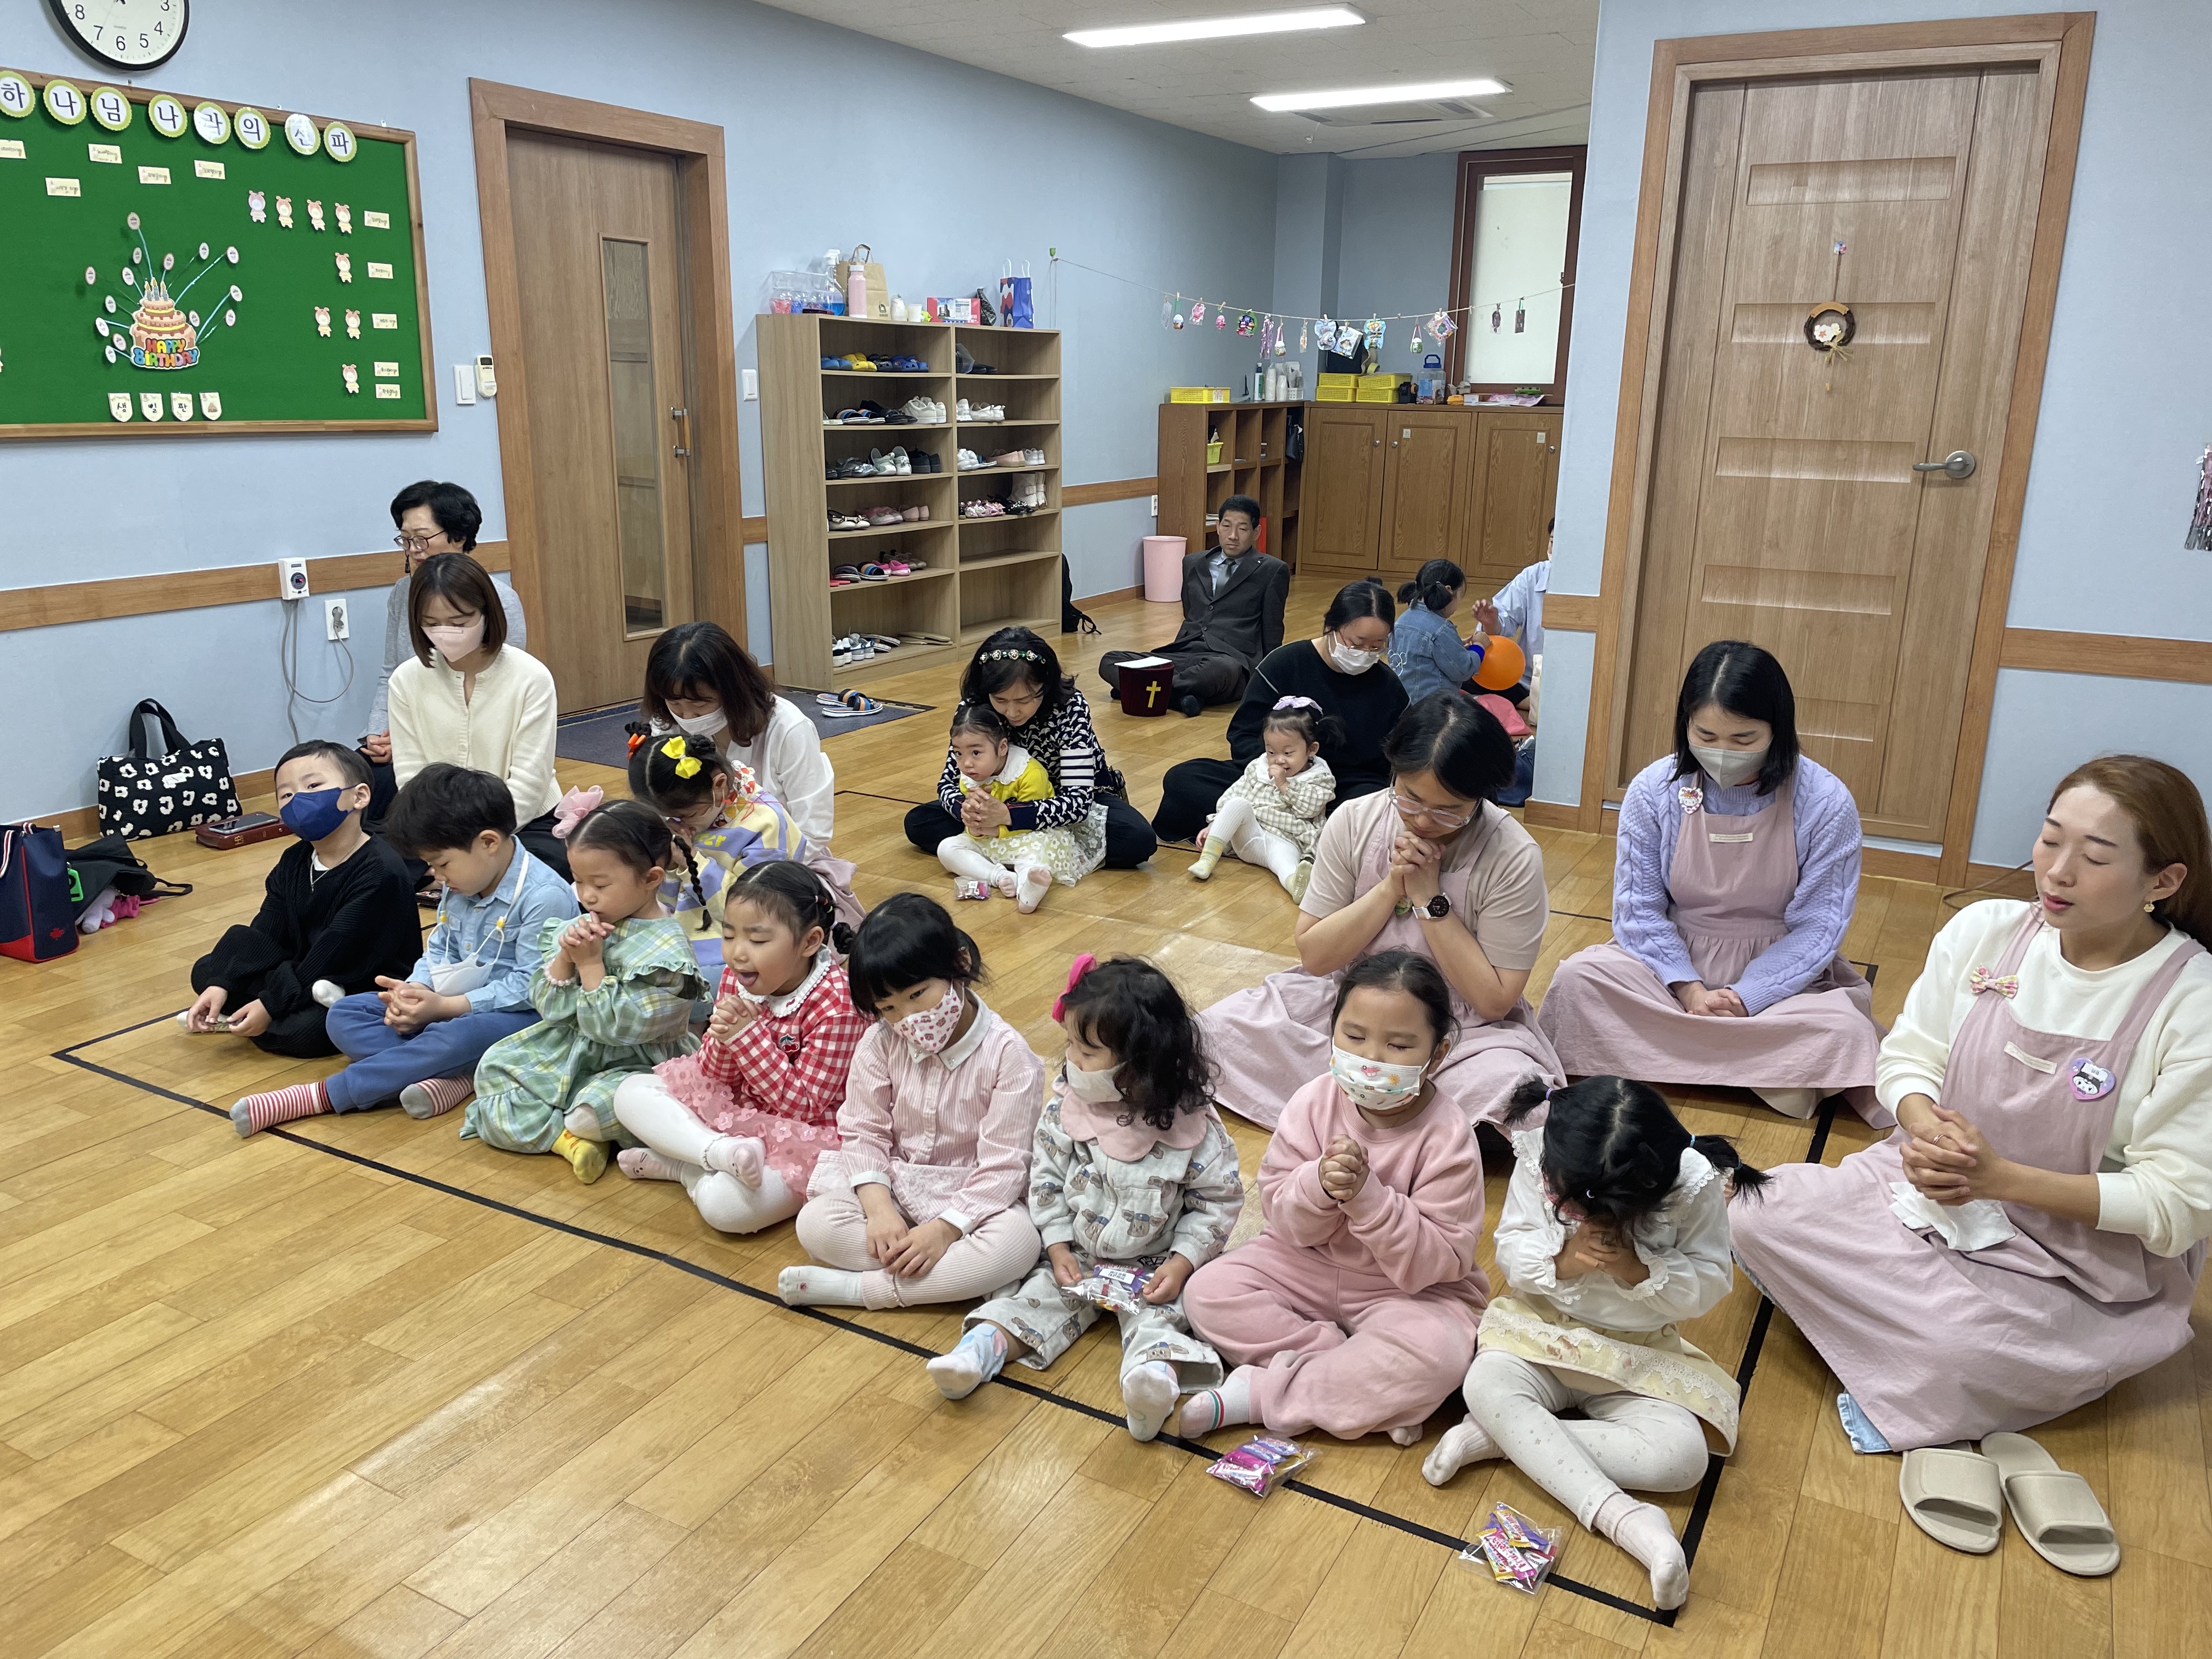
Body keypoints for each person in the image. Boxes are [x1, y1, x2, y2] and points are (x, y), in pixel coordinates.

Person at [1731, 755, 2211, 1464]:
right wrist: (1924, 1127)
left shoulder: (2191, 1000)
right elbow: (1909, 1056)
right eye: (2050, 840)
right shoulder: (1987, 931)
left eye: (2094, 857)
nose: (2057, 872)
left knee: (1960, 1348)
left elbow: (2177, 1206)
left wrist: (2000, 1180)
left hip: (2075, 1261)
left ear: (2163, 881)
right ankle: (1919, 1357)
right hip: (1927, 1192)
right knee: (1754, 1210)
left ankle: (1928, 1356)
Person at [1424, 1075, 1768, 1611]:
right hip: (1542, 1331)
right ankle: (1629, 1522)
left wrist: (1639, 1270)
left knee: (1683, 1460)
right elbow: (1510, 1248)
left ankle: (1503, 1439)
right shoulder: (1541, 1156)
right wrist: (1563, 1261)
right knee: (1485, 1382)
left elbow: (1709, 1285)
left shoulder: (1693, 1182)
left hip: (1638, 1351)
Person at [1537, 641, 1881, 1121]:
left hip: (1780, 979)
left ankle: (1662, 1057)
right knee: (1578, 981)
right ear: (1686, 725)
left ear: (1778, 730)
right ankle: (1767, 1073)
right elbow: (1638, 909)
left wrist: (1747, 996)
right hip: (1668, 969)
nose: (1722, 753)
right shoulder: (1653, 790)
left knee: (1844, 1028)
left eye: (1743, 739)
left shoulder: (1826, 801)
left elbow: (1820, 927)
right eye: (1706, 735)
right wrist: (1690, 990)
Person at [1199, 692, 1559, 1130]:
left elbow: (1494, 1000)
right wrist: (1391, 888)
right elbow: (1315, 956)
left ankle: (1351, 1112)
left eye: (1449, 811)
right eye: (1410, 798)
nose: (1423, 821)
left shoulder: (1513, 855)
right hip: (1351, 1011)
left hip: (1457, 1028)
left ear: (1481, 797)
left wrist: (1429, 899)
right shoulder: (1354, 820)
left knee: (1515, 1093)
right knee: (1213, 1032)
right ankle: (1411, 1122)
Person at [927, 955, 1245, 1441]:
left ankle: (1152, 1387)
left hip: (1158, 1267)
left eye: (1089, 1051)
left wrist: (1183, 1263)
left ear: (1141, 1061)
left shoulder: (1190, 1126)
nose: (1073, 1059)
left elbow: (1216, 1202)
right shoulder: (1068, 1108)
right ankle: (978, 1352)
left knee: (1165, 1325)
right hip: (1076, 1256)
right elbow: (1046, 1179)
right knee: (1030, 1301)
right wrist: (1056, 1245)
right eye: (1071, 1044)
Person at [1180, 953, 1487, 1442]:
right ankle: (1355, 1380)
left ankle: (1260, 1394)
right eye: (1355, 1037)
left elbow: (1439, 1263)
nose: (1371, 1058)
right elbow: (1282, 1219)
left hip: (1402, 1291)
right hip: (1305, 1264)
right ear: (1332, 1030)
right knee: (1207, 1293)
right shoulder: (1313, 1100)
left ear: (1438, 1054)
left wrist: (1370, 1200)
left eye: (1399, 1045)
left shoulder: (1449, 1136)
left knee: (1439, 1355)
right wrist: (1317, 1185)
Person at [227, 764, 576, 1136]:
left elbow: (533, 987)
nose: (436, 877)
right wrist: (415, 991)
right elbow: (440, 947)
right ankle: (457, 1074)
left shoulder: (543, 896)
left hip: (523, 1017)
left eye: (442, 864)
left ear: (489, 842)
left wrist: (447, 1008)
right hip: (450, 1008)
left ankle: (324, 1096)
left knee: (459, 1036)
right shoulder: (463, 882)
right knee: (344, 1015)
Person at [778, 893, 1046, 1311]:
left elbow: (1004, 1166)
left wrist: (945, 1230)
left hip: (973, 1200)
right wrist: (879, 1210)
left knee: (1017, 1244)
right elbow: (864, 1133)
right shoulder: (879, 1043)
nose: (907, 1018)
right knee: (816, 1223)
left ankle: (860, 1290)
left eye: (918, 994)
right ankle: (953, 1278)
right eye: (888, 1007)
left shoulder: (1009, 1056)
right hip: (899, 1187)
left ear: (959, 964)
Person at [612, 862, 866, 1235]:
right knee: (631, 1092)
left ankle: (683, 1166)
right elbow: (714, 1077)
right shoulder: (739, 977)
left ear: (810, 942)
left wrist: (746, 1037)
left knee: (727, 1208)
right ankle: (714, 1153)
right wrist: (724, 1037)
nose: (737, 954)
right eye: (729, 935)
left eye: (758, 941)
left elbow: (804, 1107)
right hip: (738, 1115)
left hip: (806, 1133)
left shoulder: (838, 1005)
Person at [465, 800, 707, 1183]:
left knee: (595, 1109)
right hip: (573, 1051)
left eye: (600, 885)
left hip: (637, 1063)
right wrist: (566, 958)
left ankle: (580, 1130)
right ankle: (567, 1140)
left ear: (651, 878)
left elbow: (617, 1029)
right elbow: (549, 1007)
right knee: (494, 1067)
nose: (587, 896)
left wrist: (591, 966)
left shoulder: (667, 953)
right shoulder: (588, 921)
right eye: (579, 882)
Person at [181, 741, 416, 1060]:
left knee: (303, 1032)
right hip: (303, 967)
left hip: (358, 975)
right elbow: (267, 929)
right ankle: (268, 1010)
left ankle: (267, 1014)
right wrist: (223, 983)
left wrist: (269, 1005)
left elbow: (335, 950)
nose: (298, 800)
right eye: (287, 794)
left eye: (313, 786)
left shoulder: (380, 871)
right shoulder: (294, 859)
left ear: (359, 796)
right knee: (208, 971)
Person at [1152, 581, 1407, 847]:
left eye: (1377, 647)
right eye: (1356, 644)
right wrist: (1279, 768)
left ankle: (1259, 829)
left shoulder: (1388, 686)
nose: (1365, 654)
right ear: (1330, 627)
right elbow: (1243, 733)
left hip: (1343, 788)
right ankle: (1291, 831)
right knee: (1184, 778)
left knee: (1371, 808)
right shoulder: (1284, 663)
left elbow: (1396, 759)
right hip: (1273, 779)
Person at [902, 629, 1155, 870]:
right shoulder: (974, 707)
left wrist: (1009, 816)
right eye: (1000, 700)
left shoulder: (1070, 706)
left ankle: (999, 849)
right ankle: (1035, 852)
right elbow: (948, 782)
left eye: (1024, 700)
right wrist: (968, 811)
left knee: (1137, 840)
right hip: (997, 800)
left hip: (1062, 800)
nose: (1012, 712)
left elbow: (1078, 802)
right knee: (919, 823)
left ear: (1045, 685)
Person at [387, 550, 569, 879]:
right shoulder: (406, 679)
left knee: (540, 870)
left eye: (459, 623)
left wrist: (467, 851)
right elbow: (411, 776)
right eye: (431, 624)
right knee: (384, 868)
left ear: (487, 613)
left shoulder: (531, 677)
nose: (445, 633)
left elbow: (528, 785)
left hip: (522, 821)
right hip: (438, 827)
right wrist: (444, 847)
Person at [627, 730, 861, 978]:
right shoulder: (692, 814)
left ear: (719, 786)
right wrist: (669, 864)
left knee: (690, 980)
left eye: (686, 816)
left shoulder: (764, 823)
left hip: (741, 936)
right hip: (685, 927)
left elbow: (750, 911)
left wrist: (691, 860)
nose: (677, 823)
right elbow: (666, 902)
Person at [362, 481, 527, 826]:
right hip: (410, 734)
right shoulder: (402, 593)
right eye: (405, 539)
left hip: (470, 743)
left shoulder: (500, 598)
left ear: (459, 536)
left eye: (422, 538)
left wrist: (408, 740)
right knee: (355, 782)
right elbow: (390, 672)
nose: (413, 550)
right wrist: (378, 735)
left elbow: (501, 691)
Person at [642, 620, 836, 848]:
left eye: (699, 705)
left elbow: (812, 832)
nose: (687, 716)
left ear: (732, 691)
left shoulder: (788, 729)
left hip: (776, 858)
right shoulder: (666, 725)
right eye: (674, 703)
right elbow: (657, 809)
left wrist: (741, 868)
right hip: (695, 857)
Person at [1097, 494, 1289, 715]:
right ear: (1217, 526)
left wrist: (1267, 679)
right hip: (1184, 652)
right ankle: (1180, 697)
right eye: (1226, 526)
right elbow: (1190, 612)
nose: (1233, 536)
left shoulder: (1271, 570)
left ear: (1256, 532)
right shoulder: (1193, 562)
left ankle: (1141, 688)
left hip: (1230, 658)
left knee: (1218, 672)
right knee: (1110, 660)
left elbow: (1272, 629)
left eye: (1243, 529)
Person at [932, 703, 1090, 913]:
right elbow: (967, 815)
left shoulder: (1029, 772)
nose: (966, 763)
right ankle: (999, 876)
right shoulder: (969, 778)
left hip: (1028, 836)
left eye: (976, 753)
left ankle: (1028, 892)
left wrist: (996, 828)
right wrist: (974, 825)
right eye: (958, 754)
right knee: (947, 848)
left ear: (1002, 747)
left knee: (1034, 862)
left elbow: (1035, 820)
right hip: (990, 839)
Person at [1188, 696, 1338, 899]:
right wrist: (1214, 825)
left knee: (1284, 861)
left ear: (1311, 749)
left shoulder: (1319, 778)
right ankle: (1208, 858)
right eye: (1271, 752)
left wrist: (1284, 785)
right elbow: (1234, 794)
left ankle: (1295, 885)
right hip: (1250, 835)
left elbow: (1309, 809)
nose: (1279, 760)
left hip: (1286, 840)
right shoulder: (1259, 767)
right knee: (1238, 803)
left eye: (1288, 753)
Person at [1470, 518, 1550, 708]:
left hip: (1576, 682)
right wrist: (1491, 622)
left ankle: (1534, 704)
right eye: (1553, 541)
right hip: (1527, 681)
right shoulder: (1533, 576)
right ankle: (1529, 701)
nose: (1557, 549)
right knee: (1465, 676)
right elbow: (1500, 626)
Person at [1387, 560, 1476, 703]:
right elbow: (1464, 671)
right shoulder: (1440, 630)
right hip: (1432, 709)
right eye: (1461, 595)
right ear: (1449, 590)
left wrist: (1456, 645)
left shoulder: (1402, 621)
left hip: (1402, 703)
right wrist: (1479, 647)